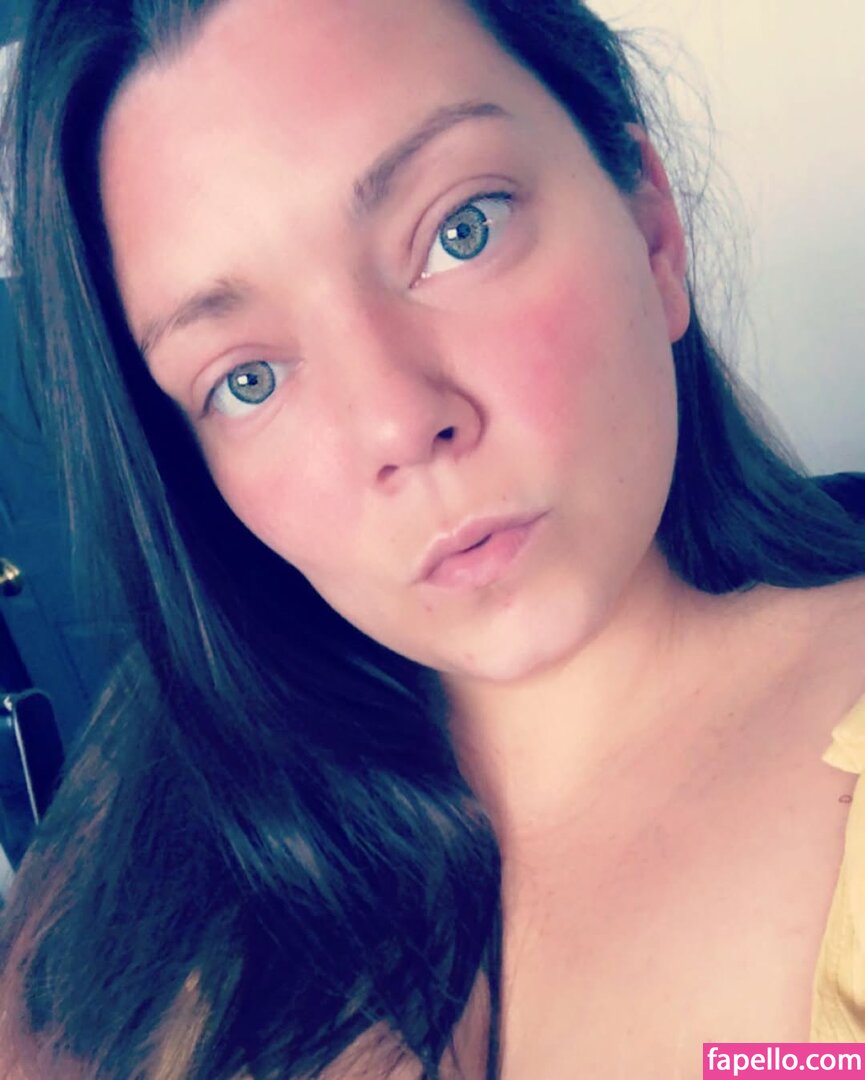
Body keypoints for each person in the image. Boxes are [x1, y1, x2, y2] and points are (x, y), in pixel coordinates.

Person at [1, 0, 864, 1076]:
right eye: (248, 379)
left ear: (651, 229)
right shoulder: (156, 793)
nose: (398, 425)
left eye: (463, 230)